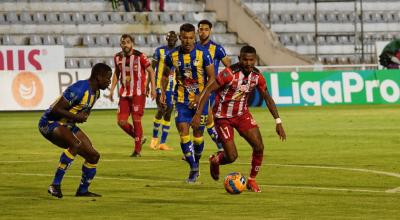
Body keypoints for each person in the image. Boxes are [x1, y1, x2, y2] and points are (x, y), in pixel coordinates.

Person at [192, 45, 286, 192]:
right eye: (245, 60)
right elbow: (209, 90)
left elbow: (267, 97)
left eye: (251, 60)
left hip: (242, 115)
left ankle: (251, 180)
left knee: (259, 147)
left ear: (255, 60)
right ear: (239, 59)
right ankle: (215, 160)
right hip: (222, 117)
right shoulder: (229, 74)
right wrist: (198, 113)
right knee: (232, 156)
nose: (248, 63)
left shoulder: (257, 76)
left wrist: (278, 121)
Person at [38, 63, 112, 198]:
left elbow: (85, 112)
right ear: (98, 77)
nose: (109, 82)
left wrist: (81, 117)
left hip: (68, 125)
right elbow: (56, 109)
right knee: (75, 144)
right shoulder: (79, 89)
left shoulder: (96, 93)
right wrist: (77, 117)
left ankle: (82, 191)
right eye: (107, 78)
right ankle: (55, 185)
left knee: (93, 156)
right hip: (49, 122)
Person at [161, 23, 215, 183]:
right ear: (180, 37)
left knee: (198, 134)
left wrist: (200, 96)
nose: (188, 41)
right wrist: (162, 92)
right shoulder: (172, 55)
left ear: (195, 37)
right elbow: (164, 75)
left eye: (191, 38)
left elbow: (212, 78)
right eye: (184, 38)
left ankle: (196, 161)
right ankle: (193, 167)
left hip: (202, 100)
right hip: (182, 100)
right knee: (183, 130)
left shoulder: (203, 54)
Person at [107, 34, 156, 157]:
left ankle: (137, 151)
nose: (125, 45)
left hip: (138, 94)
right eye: (123, 42)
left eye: (128, 42)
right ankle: (139, 137)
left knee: (136, 121)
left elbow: (151, 71)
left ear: (132, 44)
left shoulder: (140, 56)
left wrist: (153, 88)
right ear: (120, 44)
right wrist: (112, 90)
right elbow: (117, 73)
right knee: (121, 122)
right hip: (124, 94)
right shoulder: (117, 57)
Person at [197, 19, 231, 153]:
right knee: (202, 121)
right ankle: (220, 146)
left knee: (205, 120)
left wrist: (224, 83)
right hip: (194, 89)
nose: (203, 32)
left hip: (210, 90)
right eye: (201, 29)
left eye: (206, 29)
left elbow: (229, 66)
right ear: (197, 31)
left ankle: (220, 147)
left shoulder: (217, 48)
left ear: (210, 31)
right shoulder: (193, 47)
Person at [150, 31, 178, 150]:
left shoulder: (178, 52)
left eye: (173, 38)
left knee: (168, 112)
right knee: (161, 109)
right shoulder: (159, 51)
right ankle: (154, 139)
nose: (171, 40)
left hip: (172, 87)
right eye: (169, 38)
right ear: (166, 39)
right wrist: (149, 86)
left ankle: (162, 143)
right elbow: (151, 69)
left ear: (176, 39)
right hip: (158, 85)